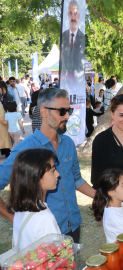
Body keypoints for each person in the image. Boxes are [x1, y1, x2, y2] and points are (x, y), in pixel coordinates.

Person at [0, 88, 96, 243]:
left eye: (69, 110)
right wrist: (14, 219)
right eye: (62, 111)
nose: (67, 116)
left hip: (73, 226)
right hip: (44, 234)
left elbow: (76, 179)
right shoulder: (24, 150)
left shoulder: (68, 144)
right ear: (44, 112)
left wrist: (102, 198)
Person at [7, 149, 61, 250]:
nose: (57, 174)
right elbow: (56, 259)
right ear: (37, 176)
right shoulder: (45, 218)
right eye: (53, 170)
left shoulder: (21, 210)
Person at [60, 0, 85, 74]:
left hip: (78, 80)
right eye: (71, 14)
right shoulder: (62, 37)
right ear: (68, 15)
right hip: (65, 81)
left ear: (79, 16)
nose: (73, 17)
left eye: (75, 14)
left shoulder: (83, 38)